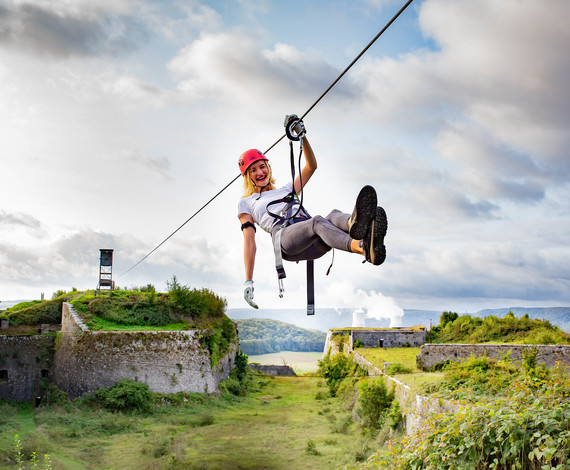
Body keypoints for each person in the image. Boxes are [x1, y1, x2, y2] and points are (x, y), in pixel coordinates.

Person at [237, 120, 387, 309]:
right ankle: (363, 247)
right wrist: (248, 280)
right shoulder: (247, 203)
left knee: (332, 215)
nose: (260, 172)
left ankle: (356, 225)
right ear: (247, 176)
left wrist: (302, 136)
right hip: (285, 240)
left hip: (314, 240)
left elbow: (311, 166)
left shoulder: (286, 189)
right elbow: (249, 242)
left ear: (268, 167)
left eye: (262, 166)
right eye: (253, 170)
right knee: (317, 221)